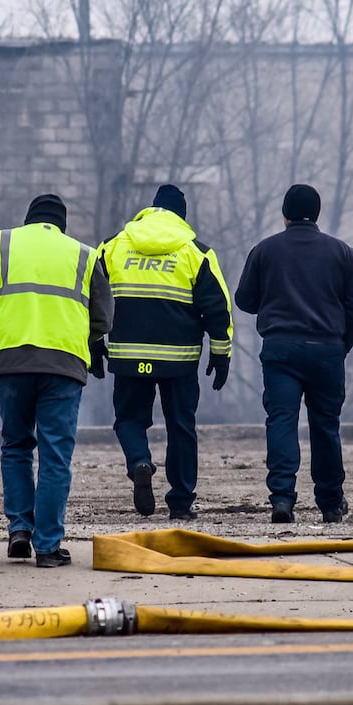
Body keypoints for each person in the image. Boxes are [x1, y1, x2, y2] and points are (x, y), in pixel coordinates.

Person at [0, 194, 112, 567]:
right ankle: (47, 546)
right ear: (61, 224)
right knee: (54, 456)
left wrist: (1, 334)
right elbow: (104, 318)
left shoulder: (3, 246)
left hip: (10, 362)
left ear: (28, 219)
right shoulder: (82, 254)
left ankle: (19, 530)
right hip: (62, 366)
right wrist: (83, 341)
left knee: (15, 446)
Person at [234, 184, 353, 524]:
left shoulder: (266, 251)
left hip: (280, 350)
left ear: (285, 215)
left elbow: (244, 300)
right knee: (326, 427)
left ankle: (282, 498)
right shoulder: (342, 253)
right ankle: (330, 502)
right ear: (318, 214)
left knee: (281, 422)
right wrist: (343, 344)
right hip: (326, 351)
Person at [98, 184, 233, 521]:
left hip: (128, 356)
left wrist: (92, 342)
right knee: (181, 427)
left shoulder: (113, 246)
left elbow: (91, 296)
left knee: (129, 419)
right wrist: (221, 354)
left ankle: (140, 462)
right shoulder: (196, 253)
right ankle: (181, 504)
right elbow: (218, 308)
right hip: (179, 360)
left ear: (150, 210)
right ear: (180, 218)